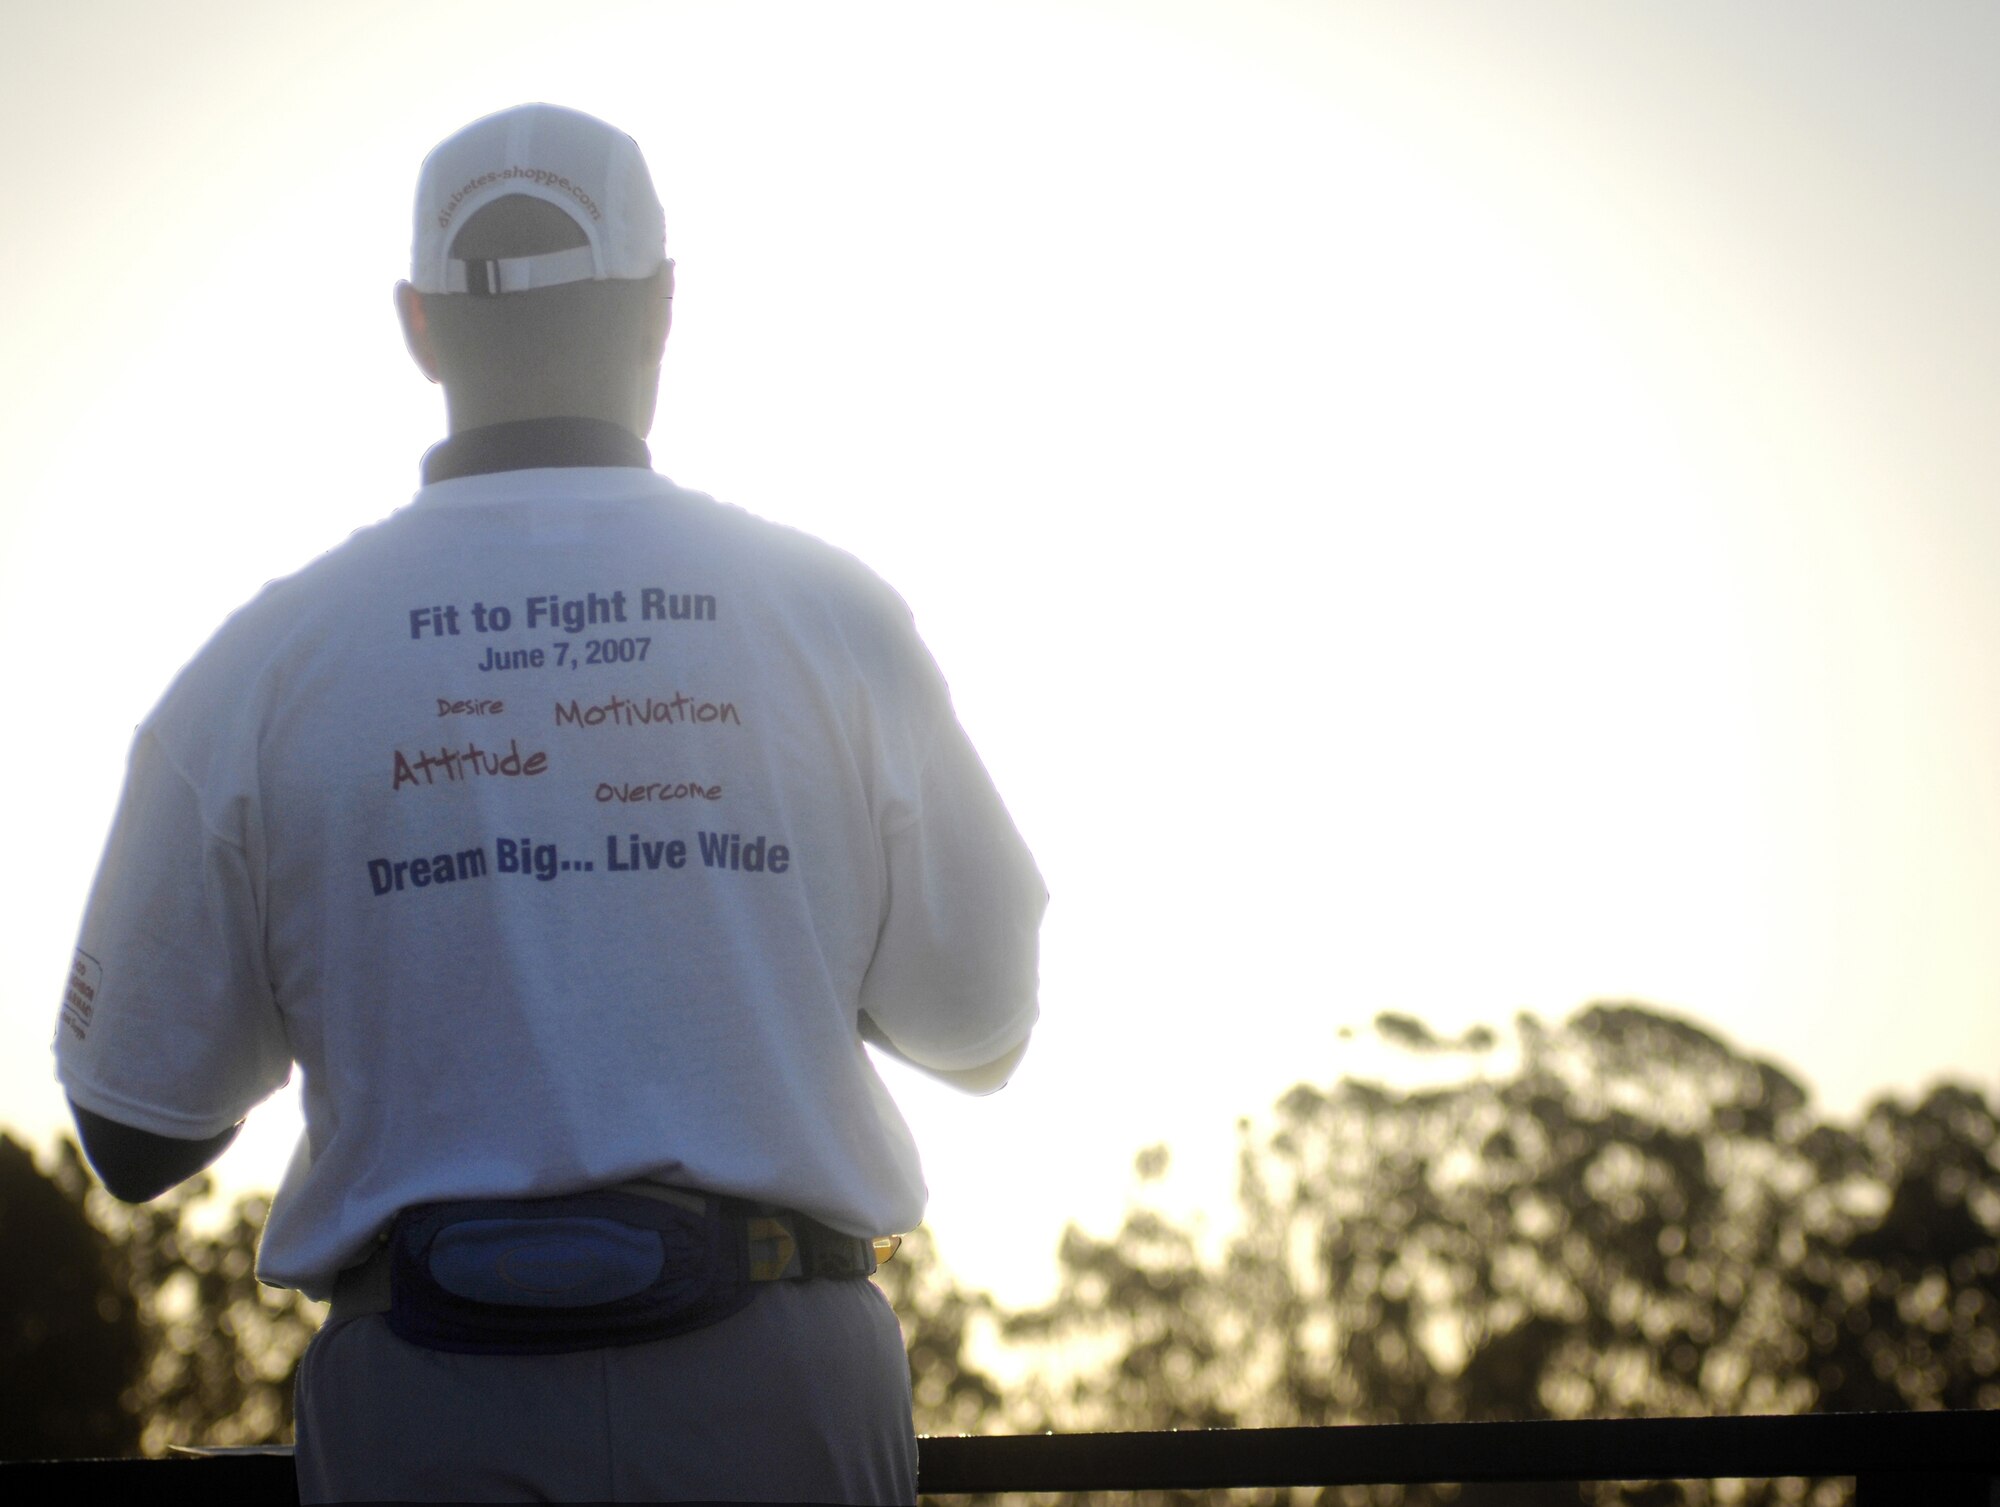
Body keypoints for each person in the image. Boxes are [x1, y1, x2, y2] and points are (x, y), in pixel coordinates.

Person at [54, 102, 1046, 1503]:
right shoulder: (831, 620)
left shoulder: (266, 666)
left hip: (426, 1412)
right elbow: (984, 1027)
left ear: (417, 324)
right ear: (660, 308)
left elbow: (134, 1129)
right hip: (774, 1396)